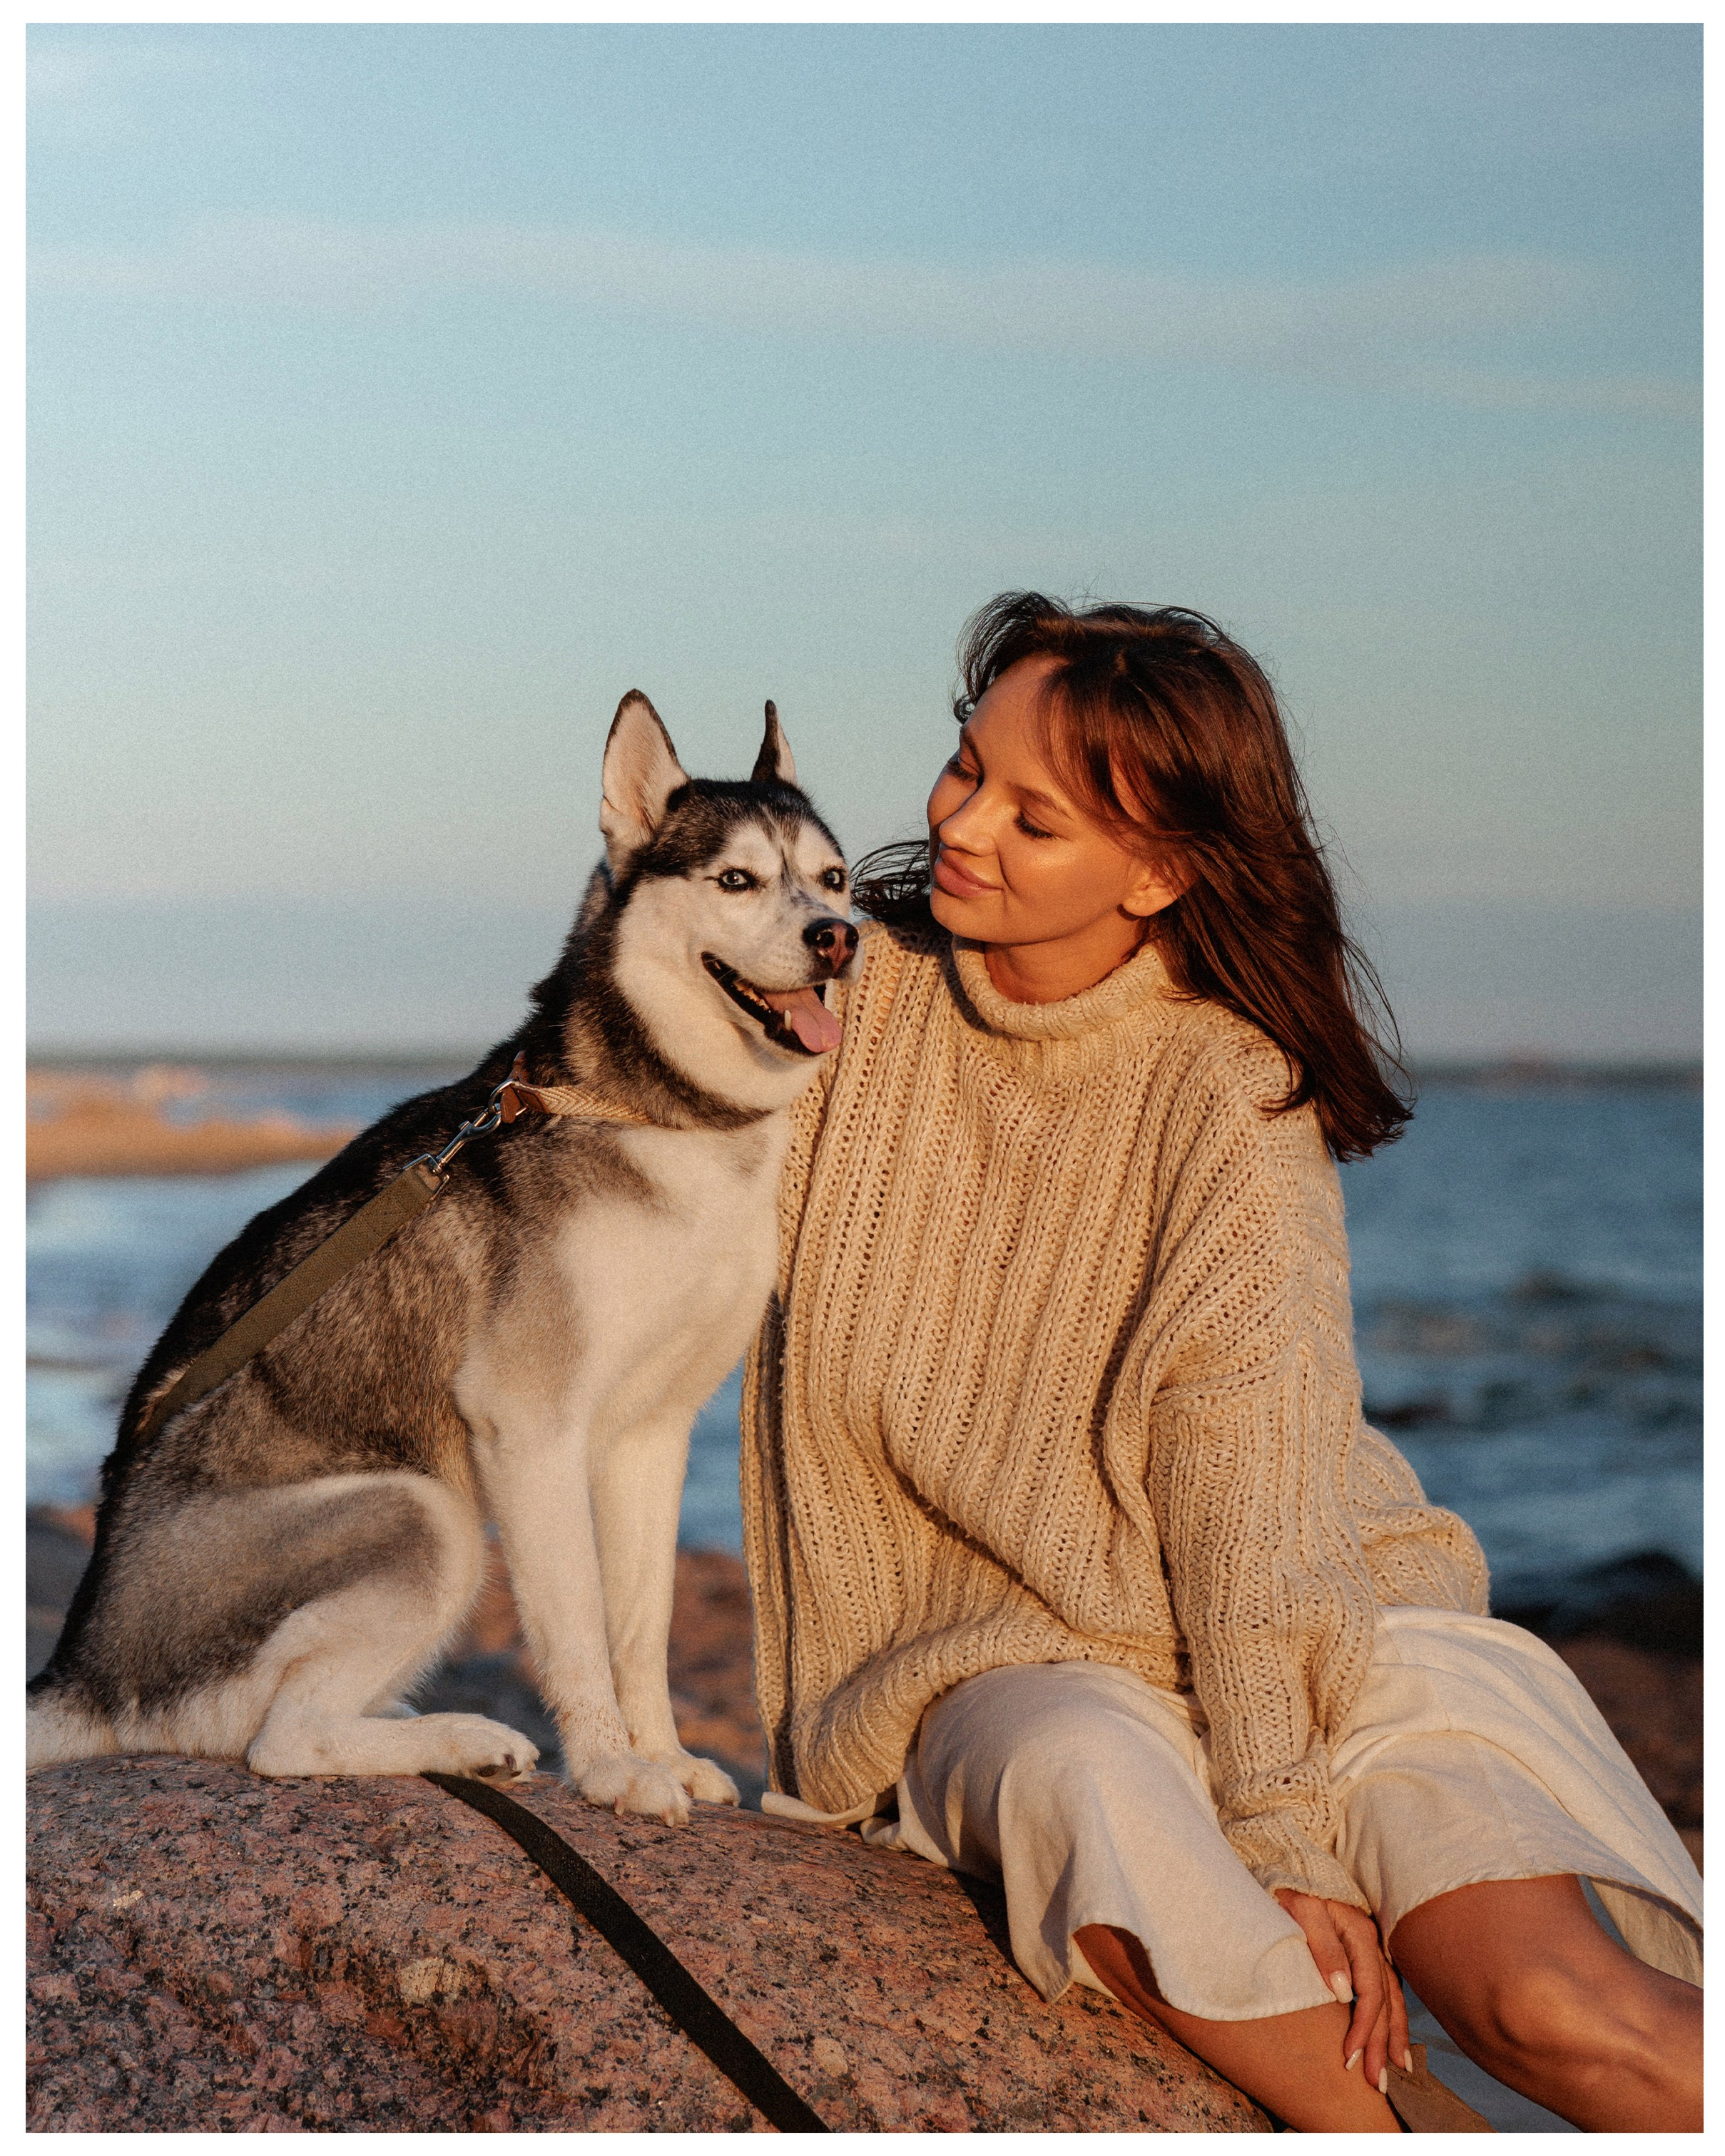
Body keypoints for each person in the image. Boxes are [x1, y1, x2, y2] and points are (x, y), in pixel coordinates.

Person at [739, 593, 1702, 2133]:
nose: (964, 822)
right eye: (964, 767)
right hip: (1005, 1660)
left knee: (1551, 2009)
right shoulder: (838, 1005)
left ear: (1161, 869)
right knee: (1080, 1783)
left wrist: (1284, 1827)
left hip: (1322, 1622)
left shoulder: (1230, 1101)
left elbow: (1253, 1508)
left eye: (1032, 815)